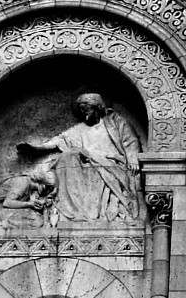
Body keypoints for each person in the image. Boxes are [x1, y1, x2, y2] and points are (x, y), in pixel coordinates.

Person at [25, 92, 143, 225]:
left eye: (86, 107)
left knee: (93, 165)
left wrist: (132, 159)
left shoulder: (114, 122)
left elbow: (130, 140)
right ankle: (74, 211)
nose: (83, 111)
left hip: (112, 162)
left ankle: (104, 211)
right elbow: (59, 139)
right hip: (87, 163)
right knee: (66, 157)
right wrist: (36, 148)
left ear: (96, 106)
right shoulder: (79, 129)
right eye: (81, 108)